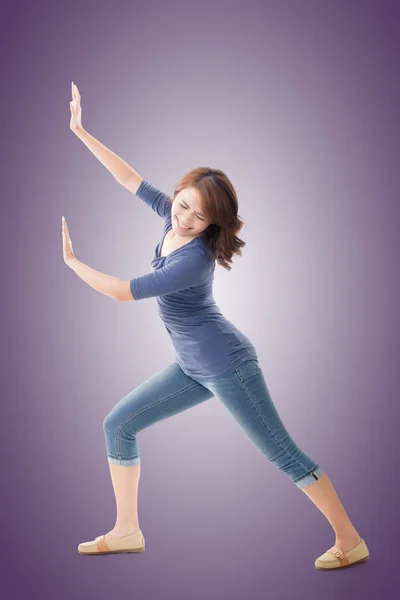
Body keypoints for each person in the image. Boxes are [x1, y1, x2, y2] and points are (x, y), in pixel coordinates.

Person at [65, 82, 369, 568]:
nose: (185, 218)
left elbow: (124, 291)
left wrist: (73, 263)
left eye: (199, 217)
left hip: (227, 365)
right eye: (183, 205)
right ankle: (127, 530)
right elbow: (129, 179)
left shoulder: (195, 260)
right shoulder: (172, 214)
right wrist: (81, 130)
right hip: (191, 365)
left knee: (282, 454)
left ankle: (350, 540)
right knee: (118, 424)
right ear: (179, 193)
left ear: (213, 224)